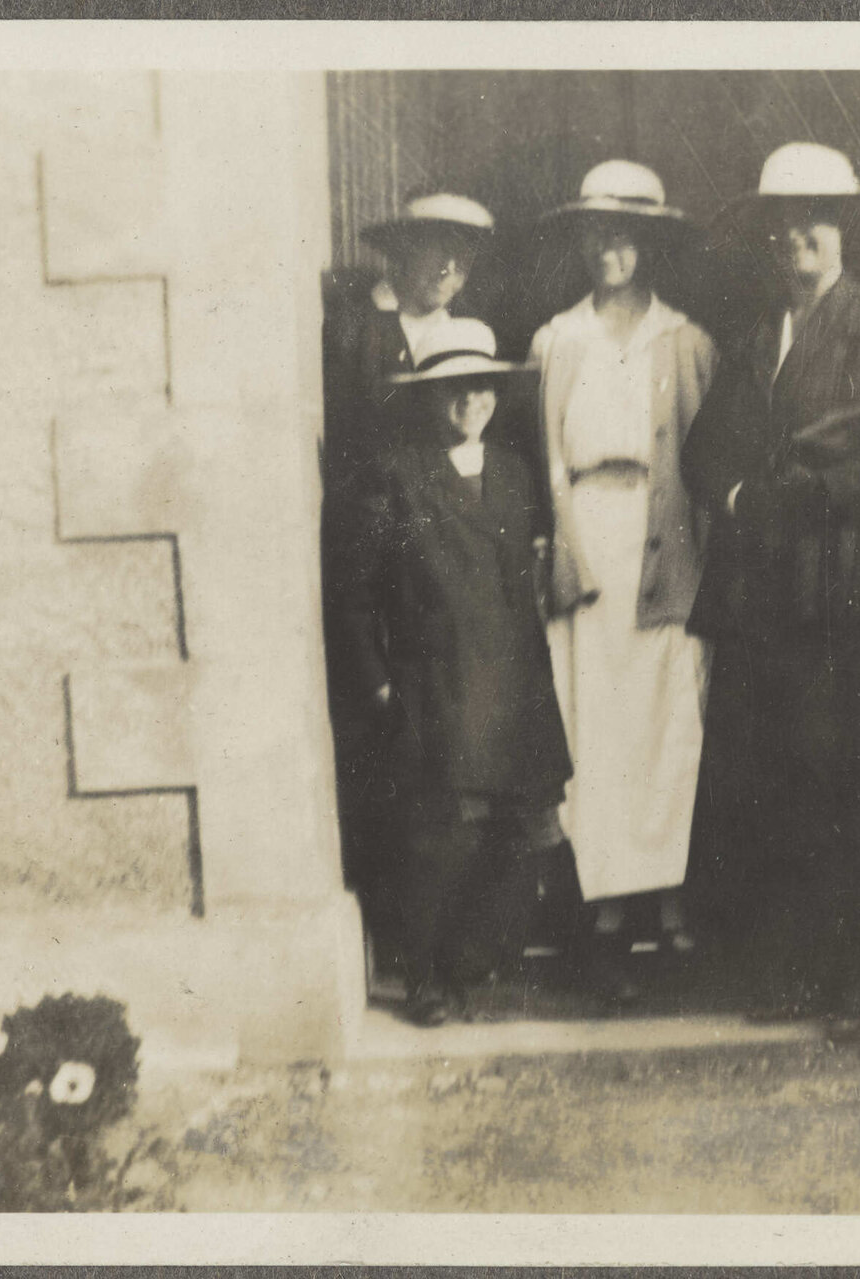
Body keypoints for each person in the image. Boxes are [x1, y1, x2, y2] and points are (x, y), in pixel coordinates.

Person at [682, 142, 860, 1043]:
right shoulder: (757, 340)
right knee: (787, 780)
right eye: (782, 221)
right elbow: (705, 452)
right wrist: (739, 499)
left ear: (846, 232)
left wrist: (823, 494)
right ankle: (800, 971)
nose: (797, 234)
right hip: (774, 594)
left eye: (816, 218)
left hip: (859, 589)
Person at [335, 317, 574, 1027]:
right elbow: (354, 594)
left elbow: (522, 585)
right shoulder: (396, 476)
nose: (471, 401)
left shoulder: (513, 472)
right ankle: (424, 976)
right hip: (436, 682)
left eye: (482, 387)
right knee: (439, 839)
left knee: (515, 836)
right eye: (453, 389)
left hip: (512, 681)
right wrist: (379, 681)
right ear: (425, 396)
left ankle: (470, 963)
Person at [530, 160, 718, 1002]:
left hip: (661, 544)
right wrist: (563, 550)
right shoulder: (556, 340)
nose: (611, 249)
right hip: (589, 541)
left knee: (666, 719)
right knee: (595, 726)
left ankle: (669, 903)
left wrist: (698, 564)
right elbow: (543, 458)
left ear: (648, 245)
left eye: (626, 235)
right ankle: (605, 914)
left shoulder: (685, 340)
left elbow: (705, 467)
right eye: (597, 234)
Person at [321, 192, 496, 987]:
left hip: (443, 545)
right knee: (386, 731)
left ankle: (450, 939)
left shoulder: (467, 338)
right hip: (377, 538)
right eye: (437, 248)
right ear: (403, 251)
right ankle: (397, 935)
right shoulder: (357, 332)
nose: (450, 267)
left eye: (463, 253)